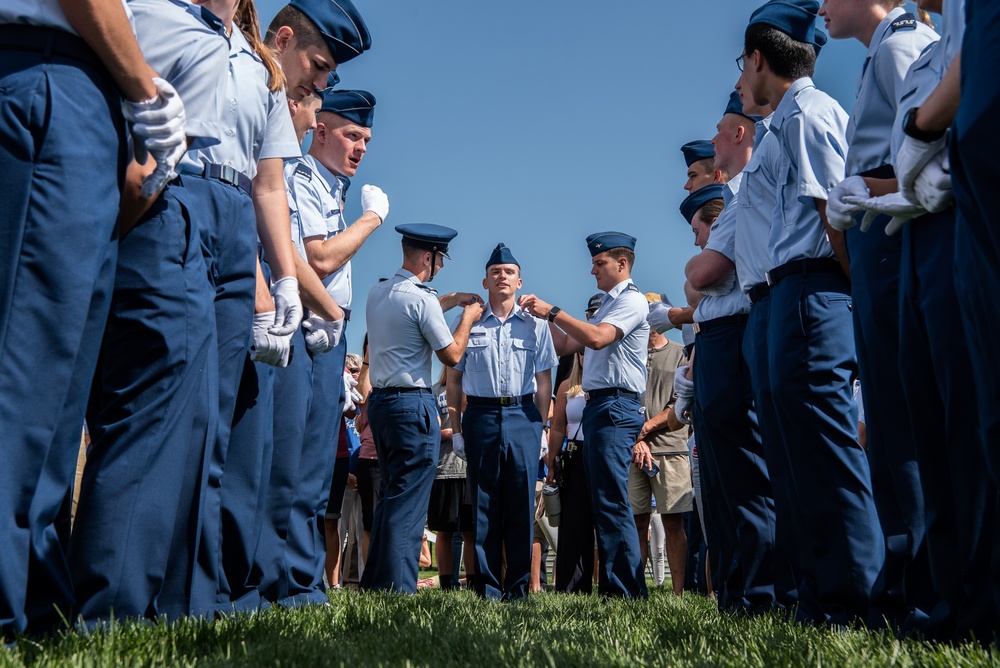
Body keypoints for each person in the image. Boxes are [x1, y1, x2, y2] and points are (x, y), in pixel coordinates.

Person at [0, 0, 187, 638]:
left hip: (93, 99)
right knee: (23, 373)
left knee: (60, 396)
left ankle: (32, 605)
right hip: (55, 69)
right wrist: (144, 88)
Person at [833, 0, 999, 641]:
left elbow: (931, 133)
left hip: (927, 223)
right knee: (927, 420)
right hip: (909, 220)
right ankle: (948, 592)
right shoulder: (917, 48)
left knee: (942, 414)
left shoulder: (906, 42)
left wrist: (907, 171)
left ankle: (943, 587)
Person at [69, 0, 235, 626]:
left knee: (181, 424)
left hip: (173, 211)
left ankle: (146, 603)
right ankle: (107, 609)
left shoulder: (204, 31)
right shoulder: (159, 17)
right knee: (145, 415)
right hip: (153, 210)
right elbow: (140, 147)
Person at [741, 0, 884, 625]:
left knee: (826, 453)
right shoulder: (787, 121)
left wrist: (863, 298)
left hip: (814, 290)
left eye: (742, 66)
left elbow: (837, 214)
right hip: (789, 291)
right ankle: (818, 596)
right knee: (796, 457)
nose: (741, 79)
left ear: (758, 59)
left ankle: (858, 597)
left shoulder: (809, 114)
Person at [821, 0, 939, 631]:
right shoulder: (879, 53)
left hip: (892, 227)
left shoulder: (899, 46)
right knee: (892, 427)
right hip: (874, 230)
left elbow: (920, 146)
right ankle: (903, 586)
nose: (820, 8)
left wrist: (870, 185)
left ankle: (921, 588)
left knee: (903, 416)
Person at [260, 88, 385, 607]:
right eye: (352, 136)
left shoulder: (330, 186)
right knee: (293, 461)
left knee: (313, 469)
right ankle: (282, 582)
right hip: (307, 324)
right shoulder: (304, 177)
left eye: (367, 140)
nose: (360, 148)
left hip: (330, 332)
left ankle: (303, 582)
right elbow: (321, 257)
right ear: (321, 130)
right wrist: (372, 219)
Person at [520, 232, 649, 599]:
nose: (592, 270)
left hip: (616, 406)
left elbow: (596, 338)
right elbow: (563, 344)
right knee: (603, 500)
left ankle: (625, 591)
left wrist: (554, 312)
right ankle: (616, 588)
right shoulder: (608, 305)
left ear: (621, 264)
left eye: (599, 263)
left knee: (610, 500)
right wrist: (534, 317)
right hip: (600, 406)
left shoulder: (632, 301)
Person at [361, 224, 484, 593]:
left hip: (381, 403)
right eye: (440, 260)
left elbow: (415, 304)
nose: (441, 267)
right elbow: (452, 353)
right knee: (411, 501)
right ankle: (399, 587)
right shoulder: (422, 299)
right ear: (429, 257)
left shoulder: (379, 291)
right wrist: (467, 317)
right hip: (410, 404)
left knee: (392, 496)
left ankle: (376, 582)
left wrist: (448, 298)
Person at [447, 243, 557, 601]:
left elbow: (544, 382)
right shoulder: (469, 321)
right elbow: (453, 380)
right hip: (479, 415)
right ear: (485, 280)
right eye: (496, 272)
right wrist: (458, 429)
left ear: (520, 281)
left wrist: (540, 428)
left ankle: (518, 588)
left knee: (521, 506)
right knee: (484, 505)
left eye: (509, 272)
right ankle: (488, 588)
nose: (502, 276)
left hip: (523, 415)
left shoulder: (536, 325)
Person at [629, 295, 690, 597]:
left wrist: (647, 428)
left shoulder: (681, 353)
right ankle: (636, 592)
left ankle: (678, 593)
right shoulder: (629, 353)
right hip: (632, 451)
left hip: (670, 448)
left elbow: (682, 401)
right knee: (636, 522)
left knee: (673, 522)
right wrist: (636, 438)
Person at [429, 368, 474, 591]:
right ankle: (447, 584)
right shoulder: (435, 391)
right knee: (444, 531)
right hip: (443, 469)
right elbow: (430, 430)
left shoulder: (474, 387)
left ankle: (475, 584)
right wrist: (448, 433)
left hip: (470, 471)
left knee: (471, 531)